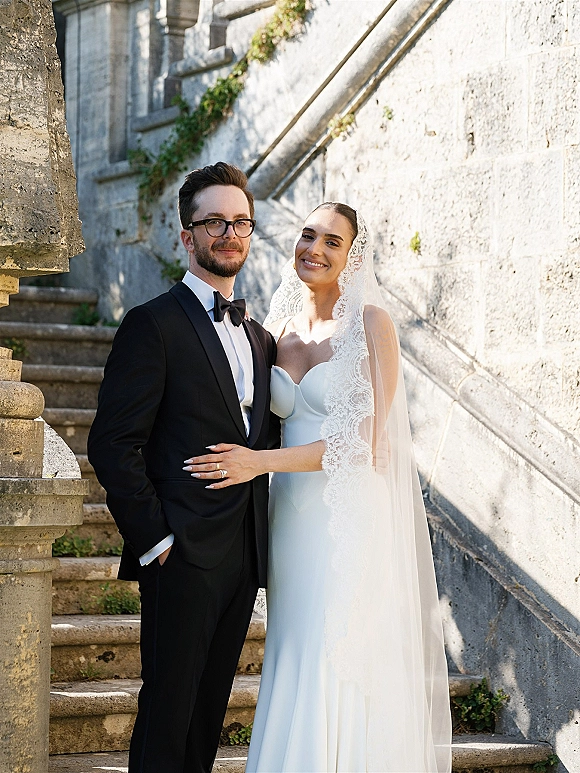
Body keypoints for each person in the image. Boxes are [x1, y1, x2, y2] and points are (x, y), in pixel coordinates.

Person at [183, 202, 453, 771]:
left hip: (346, 516)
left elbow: (361, 445)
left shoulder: (372, 325)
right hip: (288, 518)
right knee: (293, 645)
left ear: (352, 259)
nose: (316, 249)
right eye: (308, 235)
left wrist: (257, 463)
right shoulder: (276, 329)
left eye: (333, 242)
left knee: (335, 650)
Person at [87, 162, 278, 773]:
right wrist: (158, 540)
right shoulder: (153, 324)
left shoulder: (261, 338)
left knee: (207, 716)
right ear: (185, 236)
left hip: (243, 555)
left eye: (241, 222)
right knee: (167, 715)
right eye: (214, 222)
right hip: (181, 555)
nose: (229, 233)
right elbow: (113, 444)